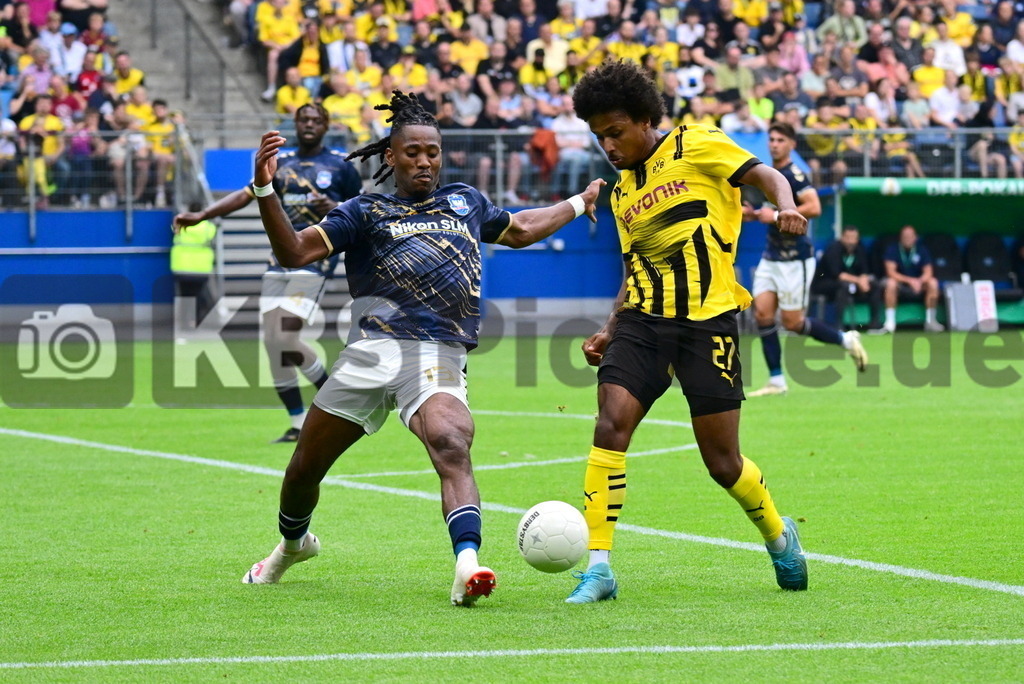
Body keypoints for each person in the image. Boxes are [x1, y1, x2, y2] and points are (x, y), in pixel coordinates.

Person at [240, 90, 605, 607]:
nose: (424, 161)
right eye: (412, 152)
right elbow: (293, 251)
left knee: (451, 441)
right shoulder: (364, 210)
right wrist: (264, 189)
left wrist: (577, 202)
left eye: (432, 151)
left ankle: (468, 565)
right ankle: (291, 547)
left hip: (435, 352)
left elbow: (521, 228)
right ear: (390, 156)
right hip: (369, 352)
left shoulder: (465, 201)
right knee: (304, 469)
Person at [567, 60, 809, 604]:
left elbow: (766, 175)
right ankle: (599, 566)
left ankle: (778, 534)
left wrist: (787, 204)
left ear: (646, 119)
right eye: (599, 135)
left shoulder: (695, 144)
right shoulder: (622, 192)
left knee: (722, 462)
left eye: (616, 131)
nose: (608, 144)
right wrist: (610, 329)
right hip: (644, 324)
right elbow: (635, 268)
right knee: (611, 425)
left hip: (708, 321)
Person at [173, 104, 362, 443]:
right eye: (303, 119)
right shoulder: (282, 162)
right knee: (273, 344)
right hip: (278, 259)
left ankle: (334, 396)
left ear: (326, 126)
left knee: (286, 338)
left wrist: (332, 210)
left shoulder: (340, 165)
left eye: (316, 120)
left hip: (315, 258)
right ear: (295, 124)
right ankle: (297, 423)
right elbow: (247, 194)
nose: (309, 124)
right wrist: (203, 214)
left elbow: (361, 213)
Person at [744, 122, 868, 397]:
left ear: (792, 144)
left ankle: (845, 340)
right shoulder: (768, 173)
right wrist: (755, 214)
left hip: (794, 259)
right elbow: (770, 210)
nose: (774, 144)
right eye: (772, 139)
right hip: (771, 255)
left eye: (780, 140)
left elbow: (814, 206)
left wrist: (775, 217)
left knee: (792, 323)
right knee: (762, 314)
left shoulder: (796, 175)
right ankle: (776, 381)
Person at [812, 225, 883, 331]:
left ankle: (874, 324)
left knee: (875, 285)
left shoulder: (859, 249)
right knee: (844, 286)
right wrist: (859, 281)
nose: (851, 241)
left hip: (852, 283)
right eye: (848, 237)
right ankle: (839, 326)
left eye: (854, 238)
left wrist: (864, 281)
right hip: (825, 284)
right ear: (842, 237)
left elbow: (864, 271)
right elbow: (838, 275)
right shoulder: (834, 249)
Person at [882, 225, 945, 333]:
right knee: (890, 283)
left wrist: (919, 281)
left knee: (933, 283)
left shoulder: (922, 250)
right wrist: (910, 281)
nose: (907, 239)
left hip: (919, 285)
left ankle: (931, 321)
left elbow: (928, 272)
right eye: (905, 236)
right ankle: (890, 323)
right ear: (900, 238)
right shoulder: (893, 249)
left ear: (915, 238)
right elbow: (891, 272)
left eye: (910, 236)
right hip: (901, 284)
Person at [170, 201, 217, 335]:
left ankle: (184, 322)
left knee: (184, 295)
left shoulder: (180, 223)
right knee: (197, 296)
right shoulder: (208, 227)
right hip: (201, 268)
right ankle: (194, 321)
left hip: (181, 266)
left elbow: (173, 228)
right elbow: (213, 233)